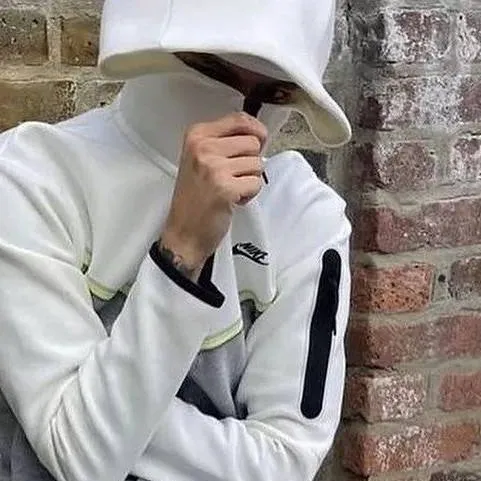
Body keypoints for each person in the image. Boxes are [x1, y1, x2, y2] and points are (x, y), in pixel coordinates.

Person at [0, 0, 352, 480]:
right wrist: (181, 252)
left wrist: (90, 405)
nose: (244, 112)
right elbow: (80, 454)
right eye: (213, 69)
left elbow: (285, 460)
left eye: (275, 91)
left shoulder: (306, 215)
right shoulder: (31, 176)